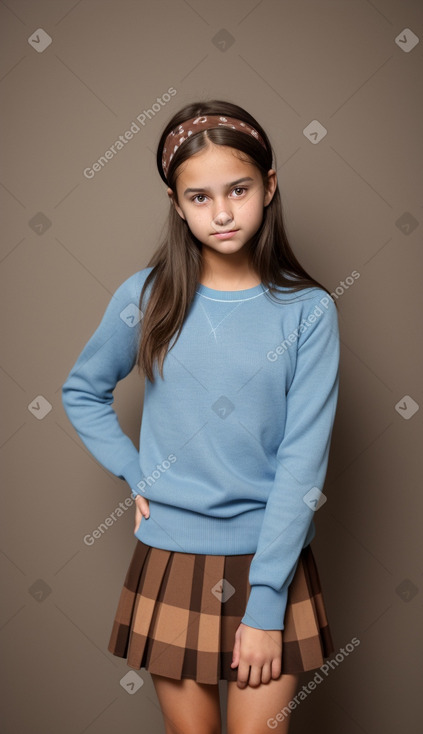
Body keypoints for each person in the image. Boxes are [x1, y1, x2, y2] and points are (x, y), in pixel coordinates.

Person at [61, 99, 340, 734]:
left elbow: (304, 461)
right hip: (171, 560)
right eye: (198, 197)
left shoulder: (309, 312)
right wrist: (136, 473)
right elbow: (82, 390)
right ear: (176, 202)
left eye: (238, 190)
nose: (220, 213)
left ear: (269, 187)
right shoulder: (146, 295)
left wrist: (267, 604)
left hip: (273, 560)